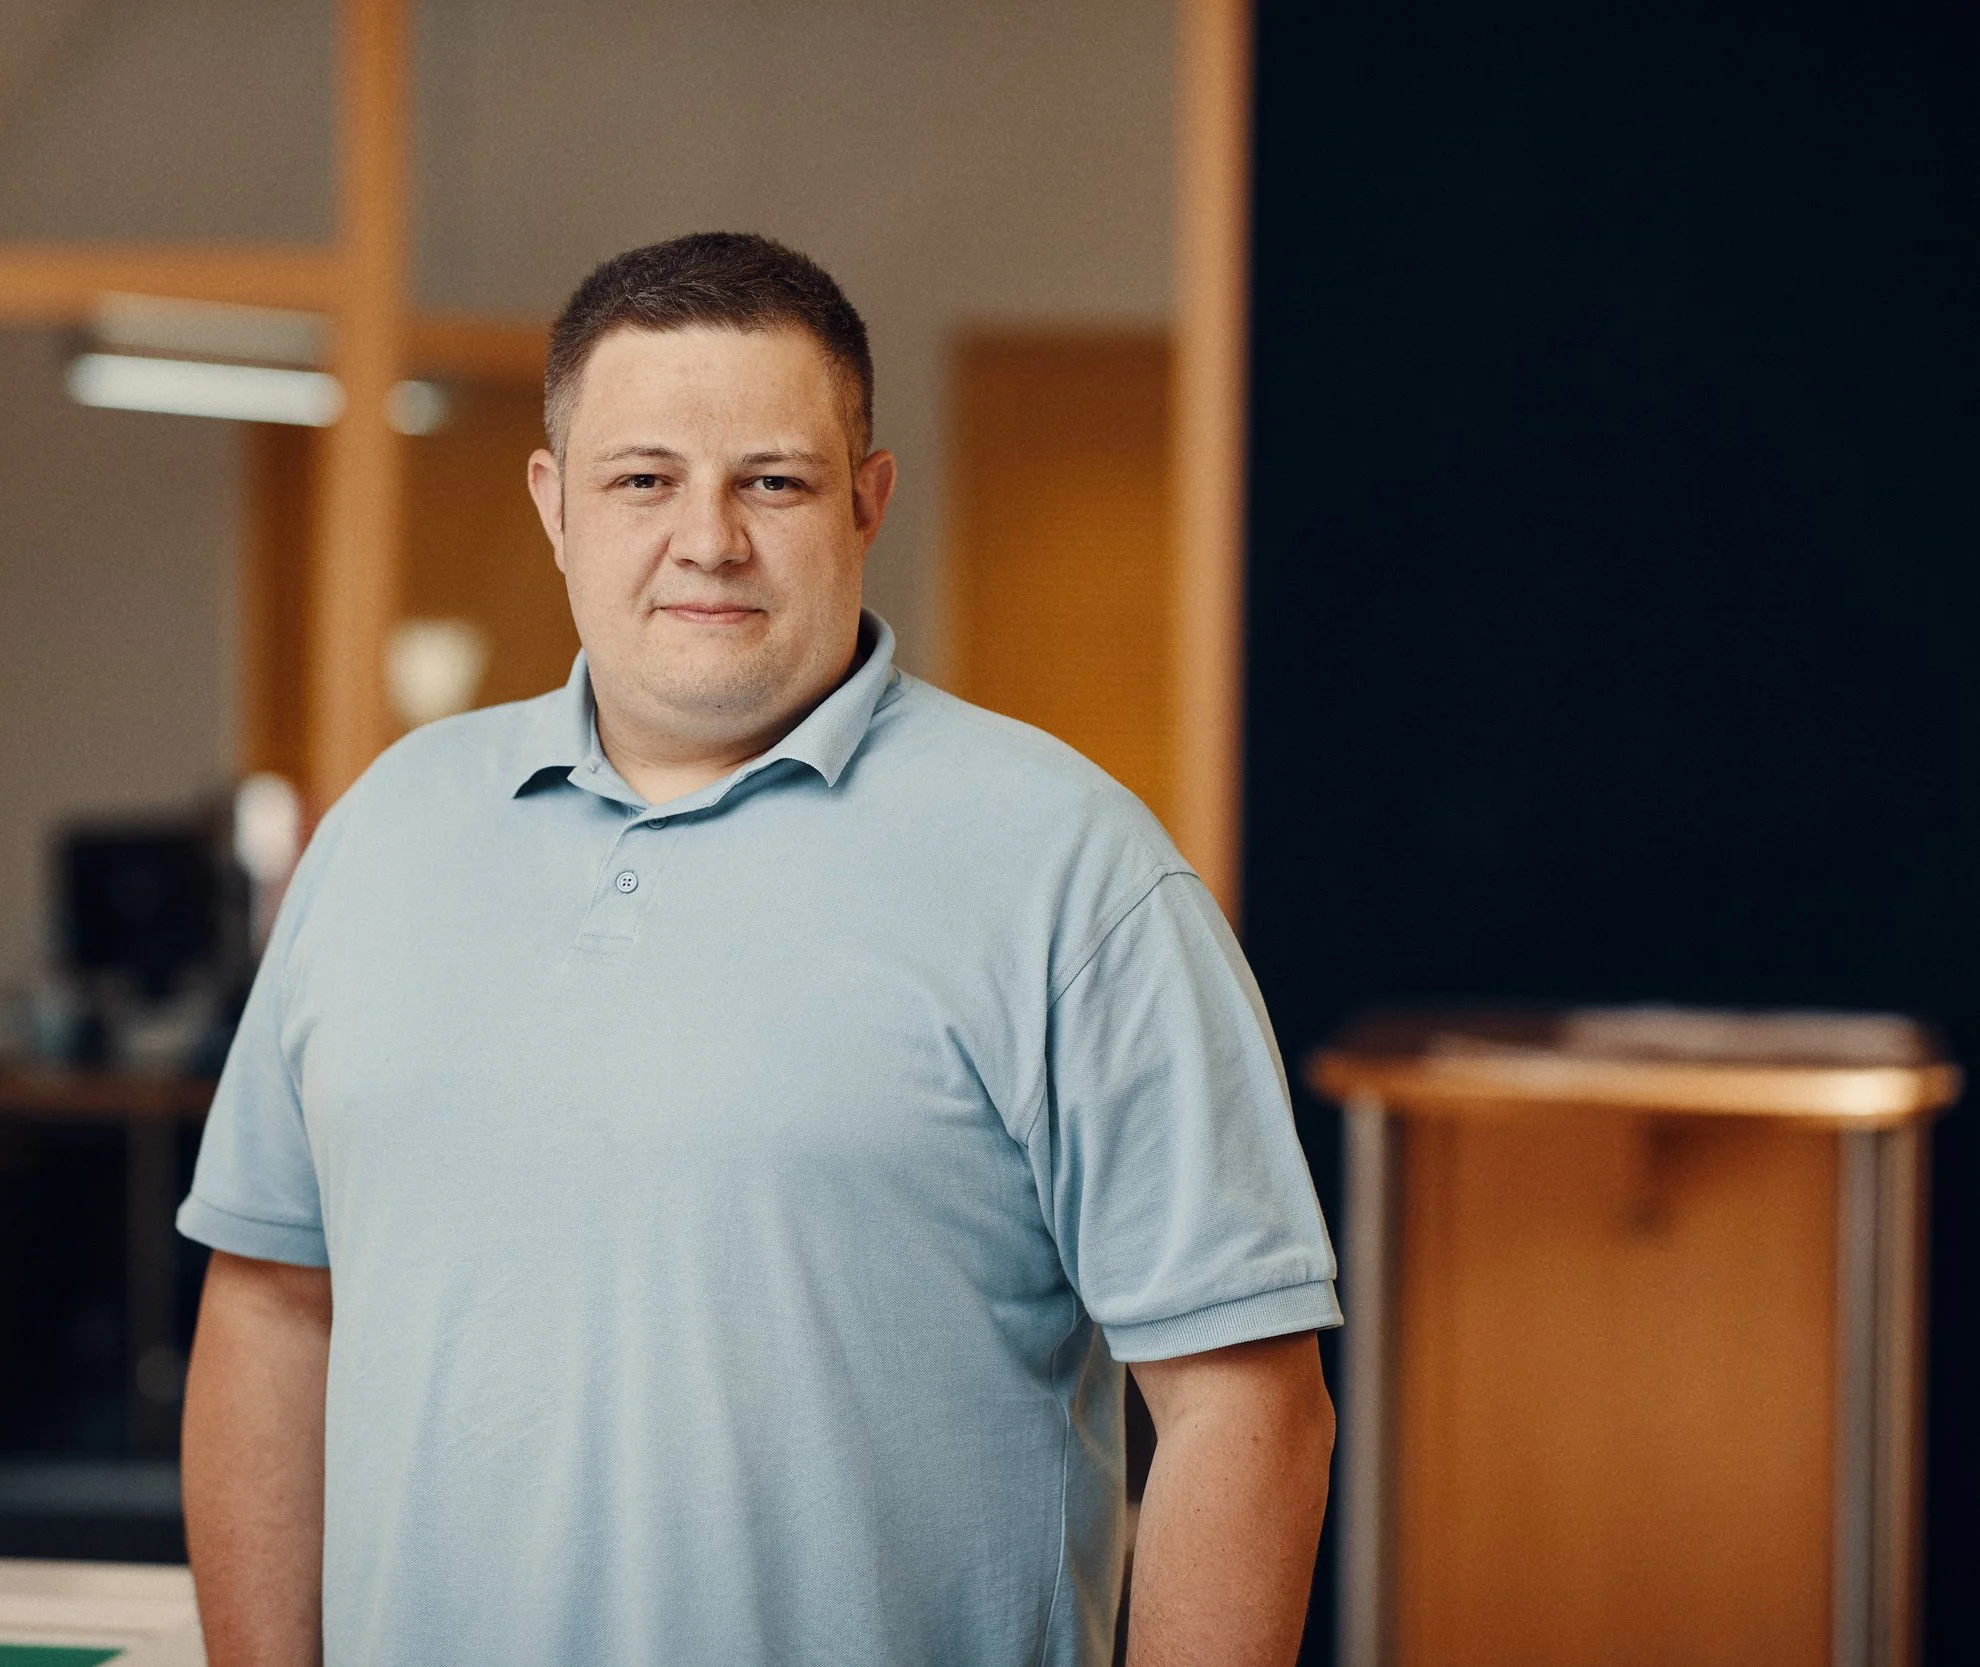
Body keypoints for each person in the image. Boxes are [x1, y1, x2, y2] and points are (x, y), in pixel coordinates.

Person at [178, 232, 1339, 1667]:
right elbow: (272, 1304)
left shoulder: (1071, 869)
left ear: (867, 498)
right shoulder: (385, 832)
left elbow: (1248, 1404)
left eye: (771, 481)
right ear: (554, 504)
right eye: (643, 478)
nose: (708, 539)